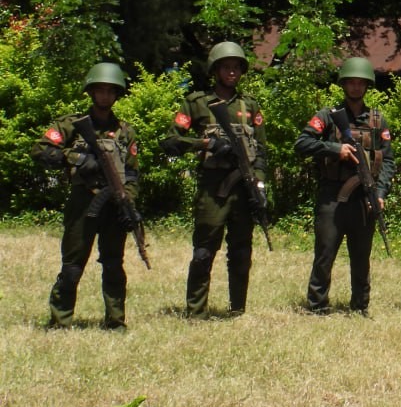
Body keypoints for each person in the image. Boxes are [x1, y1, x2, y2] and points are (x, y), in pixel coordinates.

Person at [161, 41, 267, 317]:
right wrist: (205, 144)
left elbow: (262, 151)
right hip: (213, 190)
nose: (232, 73)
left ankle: (238, 309)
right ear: (215, 70)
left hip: (244, 190)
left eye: (236, 68)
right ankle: (196, 310)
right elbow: (171, 141)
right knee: (204, 252)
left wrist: (261, 186)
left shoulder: (250, 105)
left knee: (242, 253)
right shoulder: (197, 103)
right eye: (226, 67)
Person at [32, 63, 140, 329]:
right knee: (72, 265)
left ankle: (115, 321)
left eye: (110, 91)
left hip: (115, 205)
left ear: (117, 95)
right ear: (91, 92)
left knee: (114, 264)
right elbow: (40, 150)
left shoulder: (125, 131)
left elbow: (133, 174)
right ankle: (60, 319)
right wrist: (77, 158)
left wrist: (130, 204)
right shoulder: (73, 125)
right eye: (100, 90)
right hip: (83, 203)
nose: (105, 96)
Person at [295, 57, 395, 314]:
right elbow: (302, 144)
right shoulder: (327, 116)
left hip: (364, 197)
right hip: (332, 196)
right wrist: (334, 148)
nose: (355, 87)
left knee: (361, 257)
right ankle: (317, 305)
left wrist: (381, 193)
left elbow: (388, 160)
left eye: (360, 83)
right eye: (351, 82)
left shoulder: (377, 121)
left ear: (367, 86)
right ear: (344, 85)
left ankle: (360, 306)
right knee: (325, 252)